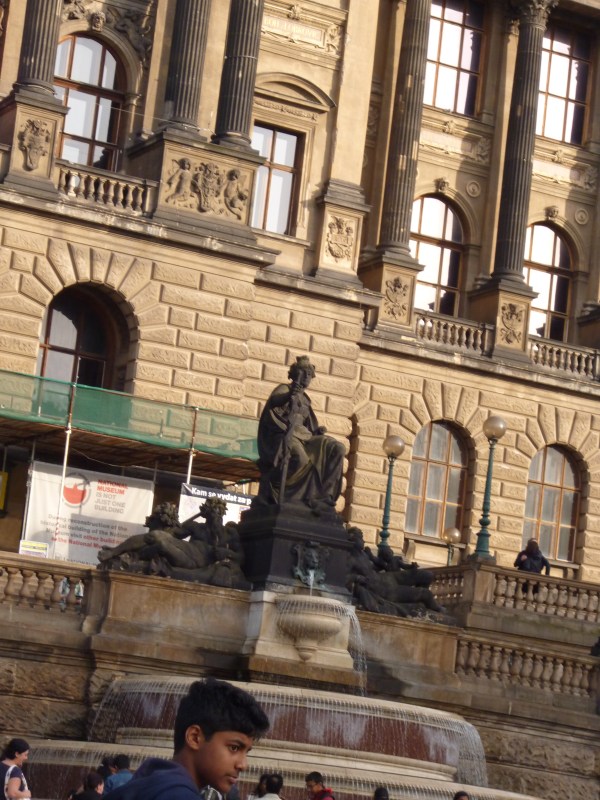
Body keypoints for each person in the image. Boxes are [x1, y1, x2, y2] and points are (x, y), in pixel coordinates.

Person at [103, 678, 269, 800]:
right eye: (234, 748)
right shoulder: (178, 795)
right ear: (194, 737)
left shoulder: (149, 782)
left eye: (246, 752)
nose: (243, 765)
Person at [257, 356, 345, 510]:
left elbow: (308, 425)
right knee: (300, 459)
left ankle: (324, 496)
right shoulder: (284, 388)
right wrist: (289, 395)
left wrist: (317, 431)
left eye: (309, 375)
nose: (306, 377)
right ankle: (282, 490)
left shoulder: (305, 399)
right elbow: (275, 402)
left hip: (305, 436)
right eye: (303, 373)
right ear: (295, 374)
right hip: (285, 432)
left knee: (337, 448)